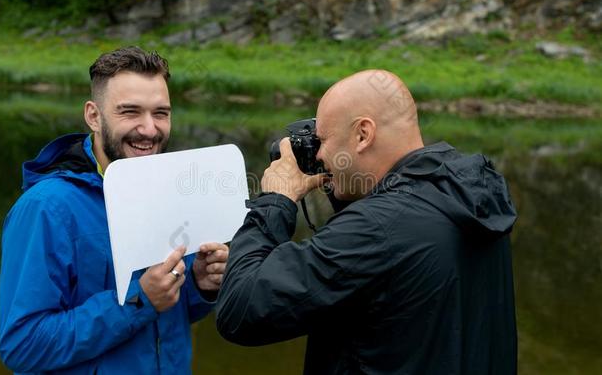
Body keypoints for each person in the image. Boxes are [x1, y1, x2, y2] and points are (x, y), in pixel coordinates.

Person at [216, 70, 517, 374]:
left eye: (322, 140)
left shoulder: (376, 228)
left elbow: (240, 310)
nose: (318, 153)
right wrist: (344, 189)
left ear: (363, 134)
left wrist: (275, 200)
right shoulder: (470, 195)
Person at [0, 47, 228, 374]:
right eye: (130, 112)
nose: (149, 129)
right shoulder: (45, 208)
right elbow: (23, 345)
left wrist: (199, 284)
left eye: (161, 113)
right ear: (93, 115)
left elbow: (167, 313)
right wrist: (138, 301)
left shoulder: (169, 190)